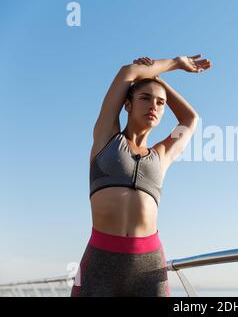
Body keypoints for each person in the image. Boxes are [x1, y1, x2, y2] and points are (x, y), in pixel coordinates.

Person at [70, 54, 212, 297]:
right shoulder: (107, 138)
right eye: (145, 98)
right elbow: (127, 72)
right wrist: (177, 63)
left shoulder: (162, 154)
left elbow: (191, 119)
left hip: (149, 265)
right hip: (100, 262)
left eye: (160, 103)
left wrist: (158, 80)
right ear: (128, 104)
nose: (153, 107)